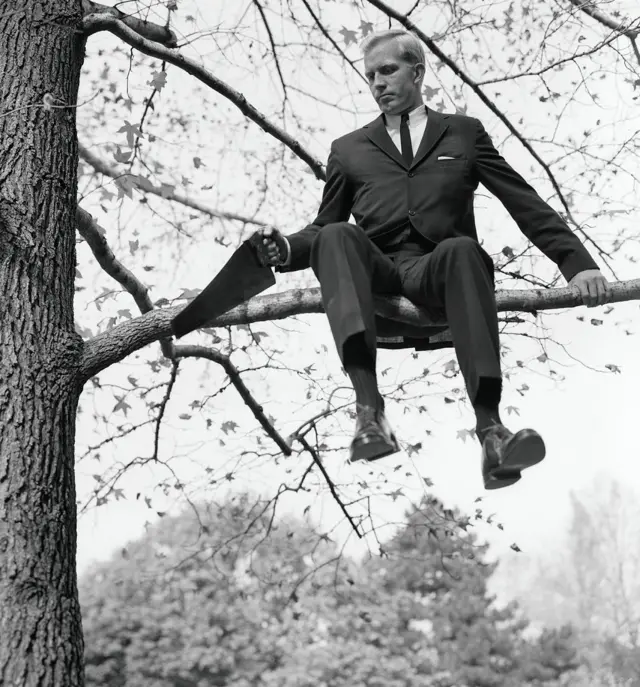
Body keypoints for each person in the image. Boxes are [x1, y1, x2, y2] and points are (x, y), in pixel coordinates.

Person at [253, 29, 610, 489]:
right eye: (370, 77)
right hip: (377, 278)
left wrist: (578, 264)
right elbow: (323, 229)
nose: (378, 83)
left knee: (462, 249)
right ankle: (369, 414)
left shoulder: (463, 133)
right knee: (341, 234)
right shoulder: (347, 150)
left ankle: (492, 434)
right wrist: (284, 250)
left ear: (417, 72)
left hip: (442, 278)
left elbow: (523, 200)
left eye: (388, 70)